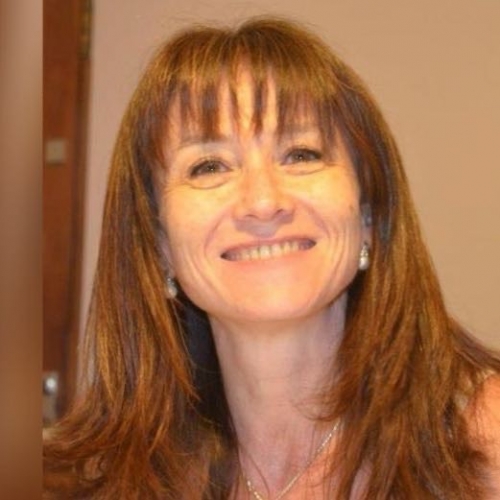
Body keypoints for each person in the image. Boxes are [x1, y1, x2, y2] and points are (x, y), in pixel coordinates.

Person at [43, 17, 500, 499]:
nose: (263, 202)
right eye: (209, 166)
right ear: (158, 245)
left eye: (301, 155)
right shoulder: (114, 481)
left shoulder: (483, 440)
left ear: (368, 216)